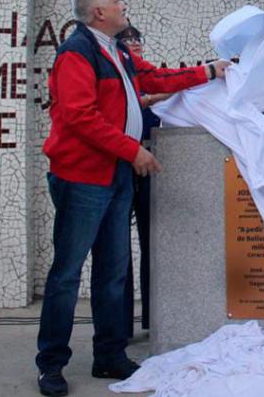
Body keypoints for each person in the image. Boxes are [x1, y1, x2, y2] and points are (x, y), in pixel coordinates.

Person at [35, 0, 230, 397]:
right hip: (83, 178)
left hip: (115, 176)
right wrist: (132, 150)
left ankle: (109, 354)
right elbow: (79, 117)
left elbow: (154, 77)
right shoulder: (77, 53)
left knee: (113, 273)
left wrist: (209, 71)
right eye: (117, 1)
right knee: (67, 275)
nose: (124, 6)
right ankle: (51, 364)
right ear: (99, 12)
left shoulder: (117, 51)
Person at [116, 24, 165, 335]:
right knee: (118, 248)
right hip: (120, 164)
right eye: (127, 41)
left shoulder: (148, 76)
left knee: (153, 242)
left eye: (137, 40)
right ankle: (120, 325)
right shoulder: (115, 76)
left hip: (148, 165)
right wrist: (152, 99)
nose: (134, 45)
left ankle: (153, 318)